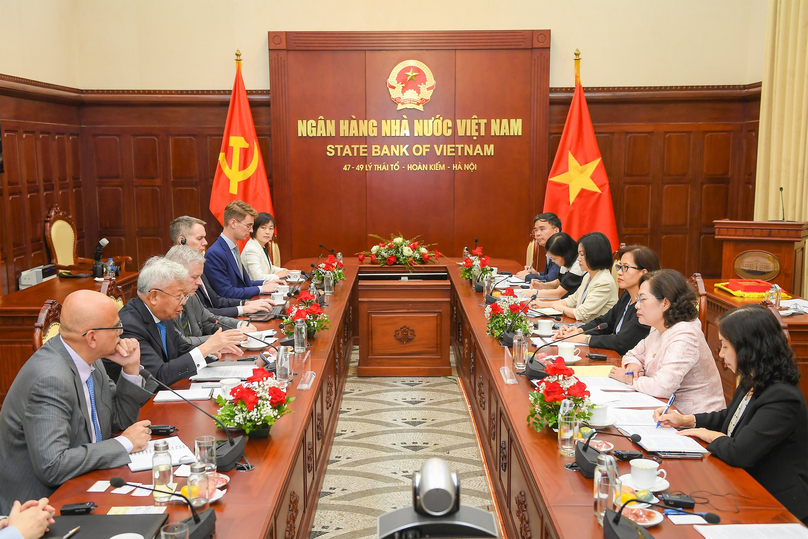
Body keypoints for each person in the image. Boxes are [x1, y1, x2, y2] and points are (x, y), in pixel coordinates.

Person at [0, 290, 157, 514]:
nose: (122, 333)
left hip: (85, 481)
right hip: (41, 507)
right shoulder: (50, 379)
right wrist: (123, 444)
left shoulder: (88, 357)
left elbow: (119, 420)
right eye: (116, 327)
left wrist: (131, 369)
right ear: (92, 337)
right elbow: (52, 467)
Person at [654, 305, 808, 524]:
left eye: (726, 346)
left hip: (777, 504)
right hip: (742, 485)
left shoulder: (782, 396)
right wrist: (685, 420)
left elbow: (739, 452)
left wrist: (708, 435)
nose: (721, 353)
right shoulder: (753, 378)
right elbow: (732, 418)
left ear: (748, 349)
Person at [609, 269, 725, 415]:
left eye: (642, 299)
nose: (637, 305)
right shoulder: (659, 327)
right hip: (663, 411)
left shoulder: (685, 335)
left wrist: (629, 379)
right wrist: (633, 366)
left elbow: (662, 387)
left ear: (665, 303)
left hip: (693, 419)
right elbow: (632, 354)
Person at [119, 257, 246, 386]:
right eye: (179, 296)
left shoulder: (162, 313)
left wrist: (211, 351)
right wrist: (205, 348)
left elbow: (181, 348)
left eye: (184, 296)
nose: (184, 302)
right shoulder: (129, 325)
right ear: (154, 296)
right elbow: (157, 376)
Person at [553, 245, 661, 354]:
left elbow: (622, 342)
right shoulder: (627, 297)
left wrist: (582, 339)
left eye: (626, 268)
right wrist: (577, 331)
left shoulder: (647, 305)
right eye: (620, 267)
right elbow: (604, 322)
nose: (619, 272)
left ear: (644, 272)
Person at [169, 216, 272, 317]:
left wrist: (245, 303)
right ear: (181, 241)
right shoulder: (173, 276)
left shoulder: (197, 265)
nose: (205, 243)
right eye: (200, 238)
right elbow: (203, 315)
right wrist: (243, 309)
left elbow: (216, 301)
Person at [165, 245, 254, 346]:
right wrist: (221, 339)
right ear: (175, 275)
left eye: (200, 276)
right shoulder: (164, 303)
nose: (199, 282)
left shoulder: (191, 296)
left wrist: (240, 325)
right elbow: (180, 342)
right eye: (194, 277)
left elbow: (210, 320)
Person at [203, 201, 284, 300]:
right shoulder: (215, 253)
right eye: (248, 226)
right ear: (233, 223)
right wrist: (261, 288)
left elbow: (244, 283)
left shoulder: (233, 248)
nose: (251, 230)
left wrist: (265, 283)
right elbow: (226, 292)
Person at [531, 232, 617, 322]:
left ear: (595, 255)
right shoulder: (588, 275)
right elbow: (572, 300)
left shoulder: (604, 282)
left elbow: (581, 314)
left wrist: (561, 308)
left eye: (582, 255)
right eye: (578, 254)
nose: (578, 258)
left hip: (596, 332)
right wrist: (544, 304)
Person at [527, 232, 583, 299]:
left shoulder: (579, 265)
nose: (553, 261)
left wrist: (526, 293)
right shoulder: (565, 262)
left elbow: (558, 293)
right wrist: (542, 285)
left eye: (554, 258)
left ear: (565, 254)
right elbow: (558, 282)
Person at [241, 212, 289, 282]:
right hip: (254, 291)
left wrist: (286, 271)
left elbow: (269, 269)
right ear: (254, 229)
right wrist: (278, 275)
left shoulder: (260, 245)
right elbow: (258, 278)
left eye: (270, 228)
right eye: (263, 228)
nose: (267, 232)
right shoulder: (251, 249)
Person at [515, 213, 562, 283]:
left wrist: (527, 277)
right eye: (536, 230)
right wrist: (537, 274)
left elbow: (551, 280)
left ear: (556, 230)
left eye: (542, 229)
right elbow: (550, 275)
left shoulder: (560, 248)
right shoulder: (551, 247)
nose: (537, 234)